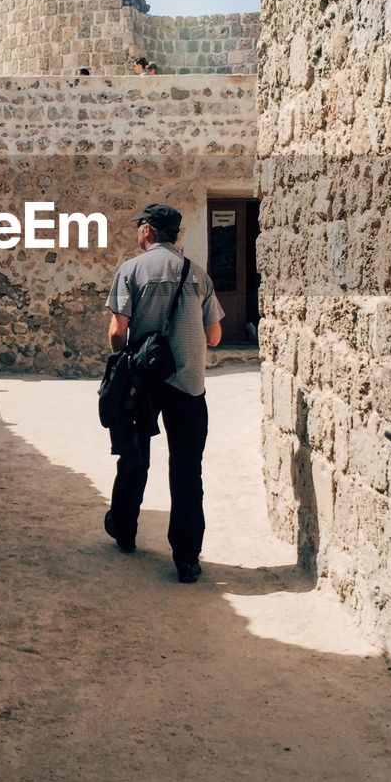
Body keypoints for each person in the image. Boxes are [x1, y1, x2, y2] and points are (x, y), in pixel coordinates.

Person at [103, 203, 223, 582]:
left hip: (143, 384)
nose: (138, 231)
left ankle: (124, 530)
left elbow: (116, 331)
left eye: (140, 225)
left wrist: (128, 352)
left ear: (149, 231)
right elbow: (215, 336)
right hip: (189, 384)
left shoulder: (132, 270)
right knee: (187, 469)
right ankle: (186, 557)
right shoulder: (197, 273)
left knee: (135, 455)